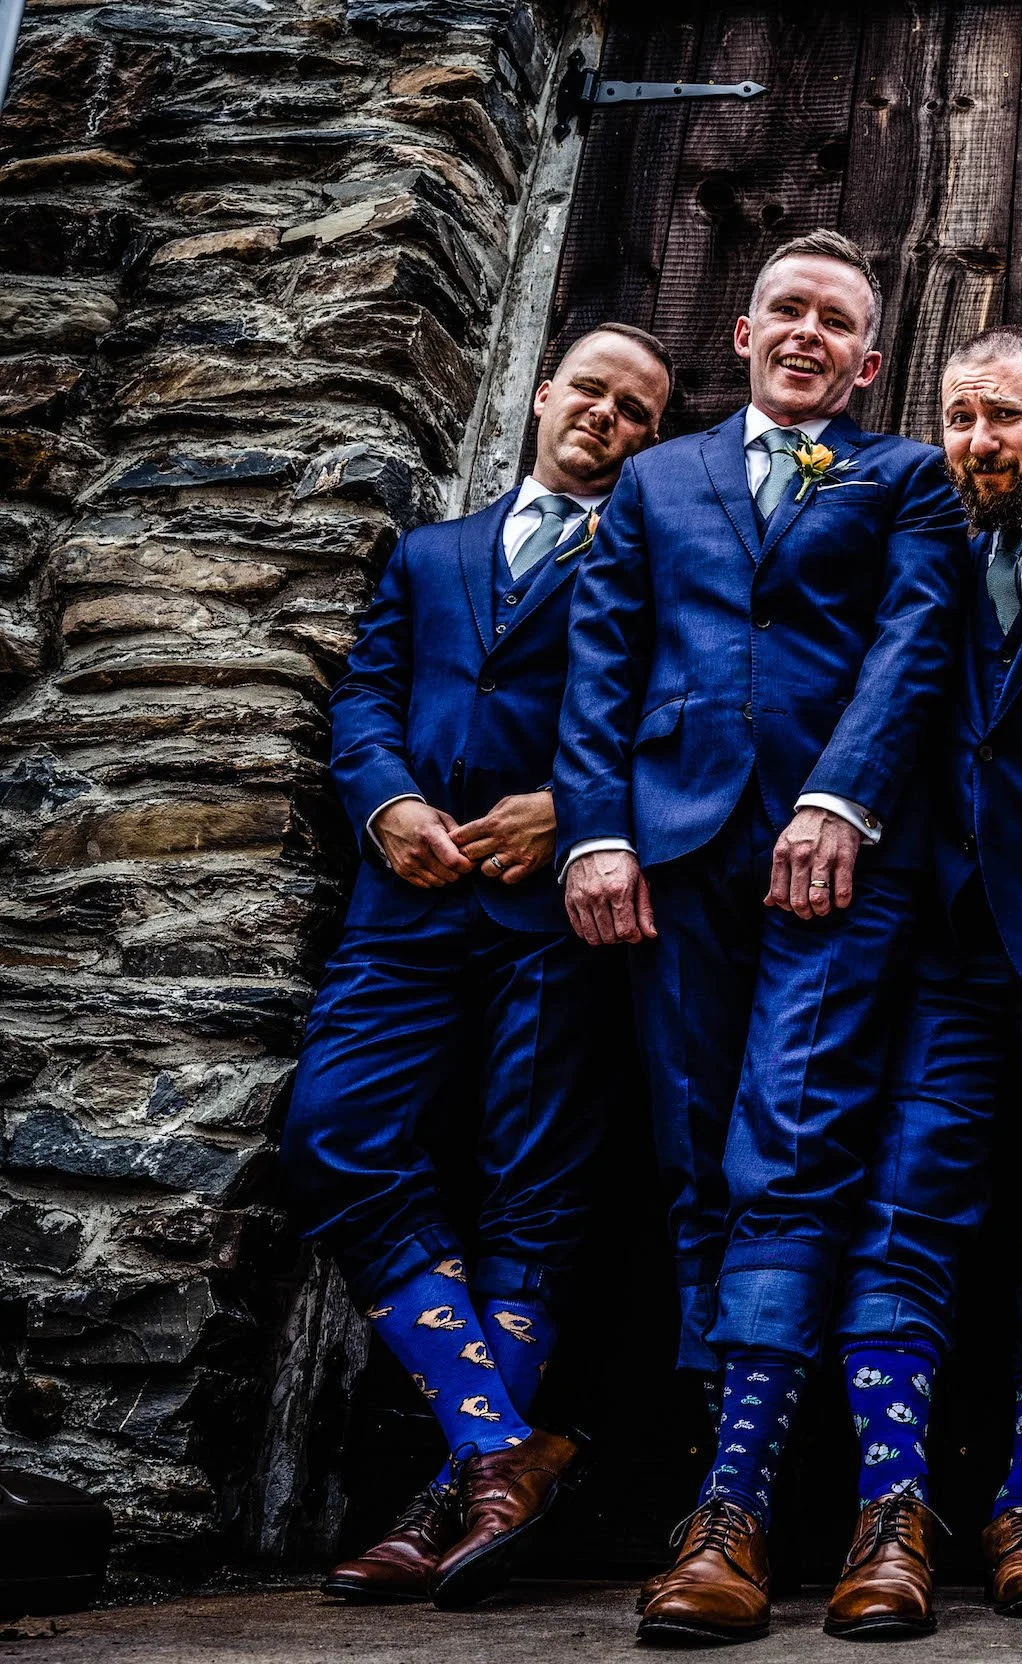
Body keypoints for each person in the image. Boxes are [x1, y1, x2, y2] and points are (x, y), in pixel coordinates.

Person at [555, 229, 967, 1646]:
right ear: (743, 334)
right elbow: (604, 657)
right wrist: (595, 831)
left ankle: (737, 1511)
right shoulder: (656, 480)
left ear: (868, 362)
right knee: (692, 1157)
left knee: (785, 1141)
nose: (807, 334)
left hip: (835, 862)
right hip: (672, 855)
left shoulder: (905, 478)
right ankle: (727, 1481)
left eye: (836, 322)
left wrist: (841, 798)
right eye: (786, 310)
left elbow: (915, 645)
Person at [284, 324, 674, 1609]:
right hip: (405, 906)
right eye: (592, 391)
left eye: (636, 411)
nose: (606, 416)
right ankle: (501, 1445)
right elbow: (365, 695)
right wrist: (385, 800)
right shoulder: (429, 553)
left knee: (533, 1192)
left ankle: (447, 1503)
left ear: (649, 441)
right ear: (544, 393)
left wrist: (573, 807)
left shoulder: (654, 559)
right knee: (336, 1132)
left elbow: (679, 718)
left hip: (555, 919)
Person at [822, 327, 1022, 1639]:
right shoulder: (927, 551)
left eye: (1001, 416)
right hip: (944, 950)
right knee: (903, 1218)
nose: (975, 443)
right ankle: (890, 1512)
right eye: (958, 420)